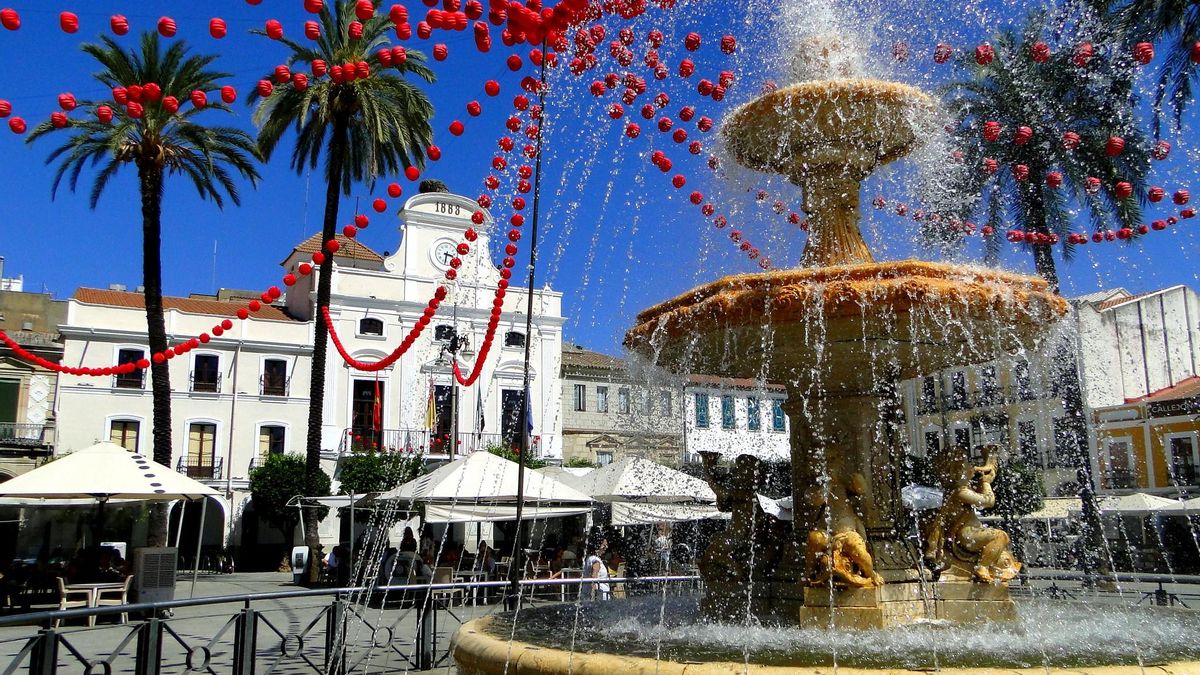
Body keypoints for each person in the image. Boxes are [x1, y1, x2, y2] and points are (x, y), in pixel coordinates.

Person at [582, 534, 611, 600]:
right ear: (597, 545)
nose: (606, 547)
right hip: (600, 599)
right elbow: (594, 577)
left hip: (588, 596)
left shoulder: (589, 558)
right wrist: (594, 596)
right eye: (604, 545)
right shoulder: (596, 561)